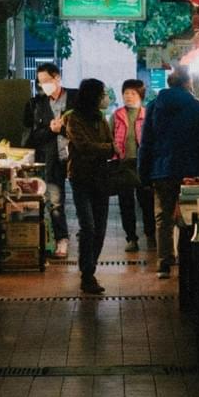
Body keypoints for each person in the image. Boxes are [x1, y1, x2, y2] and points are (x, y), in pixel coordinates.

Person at [137, 67, 199, 279]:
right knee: (189, 218)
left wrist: (143, 173)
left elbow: (145, 144)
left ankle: (164, 263)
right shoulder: (198, 107)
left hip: (161, 170)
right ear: (188, 82)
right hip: (192, 171)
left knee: (163, 217)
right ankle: (188, 262)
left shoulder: (154, 106)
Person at [23, 62, 79, 258]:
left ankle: (86, 233)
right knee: (54, 201)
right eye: (41, 82)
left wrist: (63, 129)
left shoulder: (76, 97)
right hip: (50, 158)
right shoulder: (36, 104)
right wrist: (51, 129)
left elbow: (87, 126)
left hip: (76, 158)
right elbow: (30, 137)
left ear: (57, 78)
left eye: (47, 80)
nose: (44, 85)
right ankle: (61, 239)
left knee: (82, 198)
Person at [65, 78, 115, 294]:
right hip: (81, 178)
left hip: (101, 179)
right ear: (92, 96)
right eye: (102, 93)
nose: (105, 97)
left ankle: (90, 269)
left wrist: (104, 148)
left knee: (100, 229)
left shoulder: (101, 118)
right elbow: (84, 146)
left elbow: (110, 145)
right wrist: (105, 148)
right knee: (88, 226)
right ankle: (87, 273)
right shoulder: (73, 119)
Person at [111, 79, 155, 254]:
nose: (128, 96)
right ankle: (131, 238)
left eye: (132, 93)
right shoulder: (117, 115)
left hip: (143, 163)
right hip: (124, 164)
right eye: (126, 93)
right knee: (126, 203)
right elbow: (110, 137)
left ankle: (150, 234)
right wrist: (116, 153)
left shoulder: (147, 114)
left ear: (140, 95)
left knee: (147, 201)